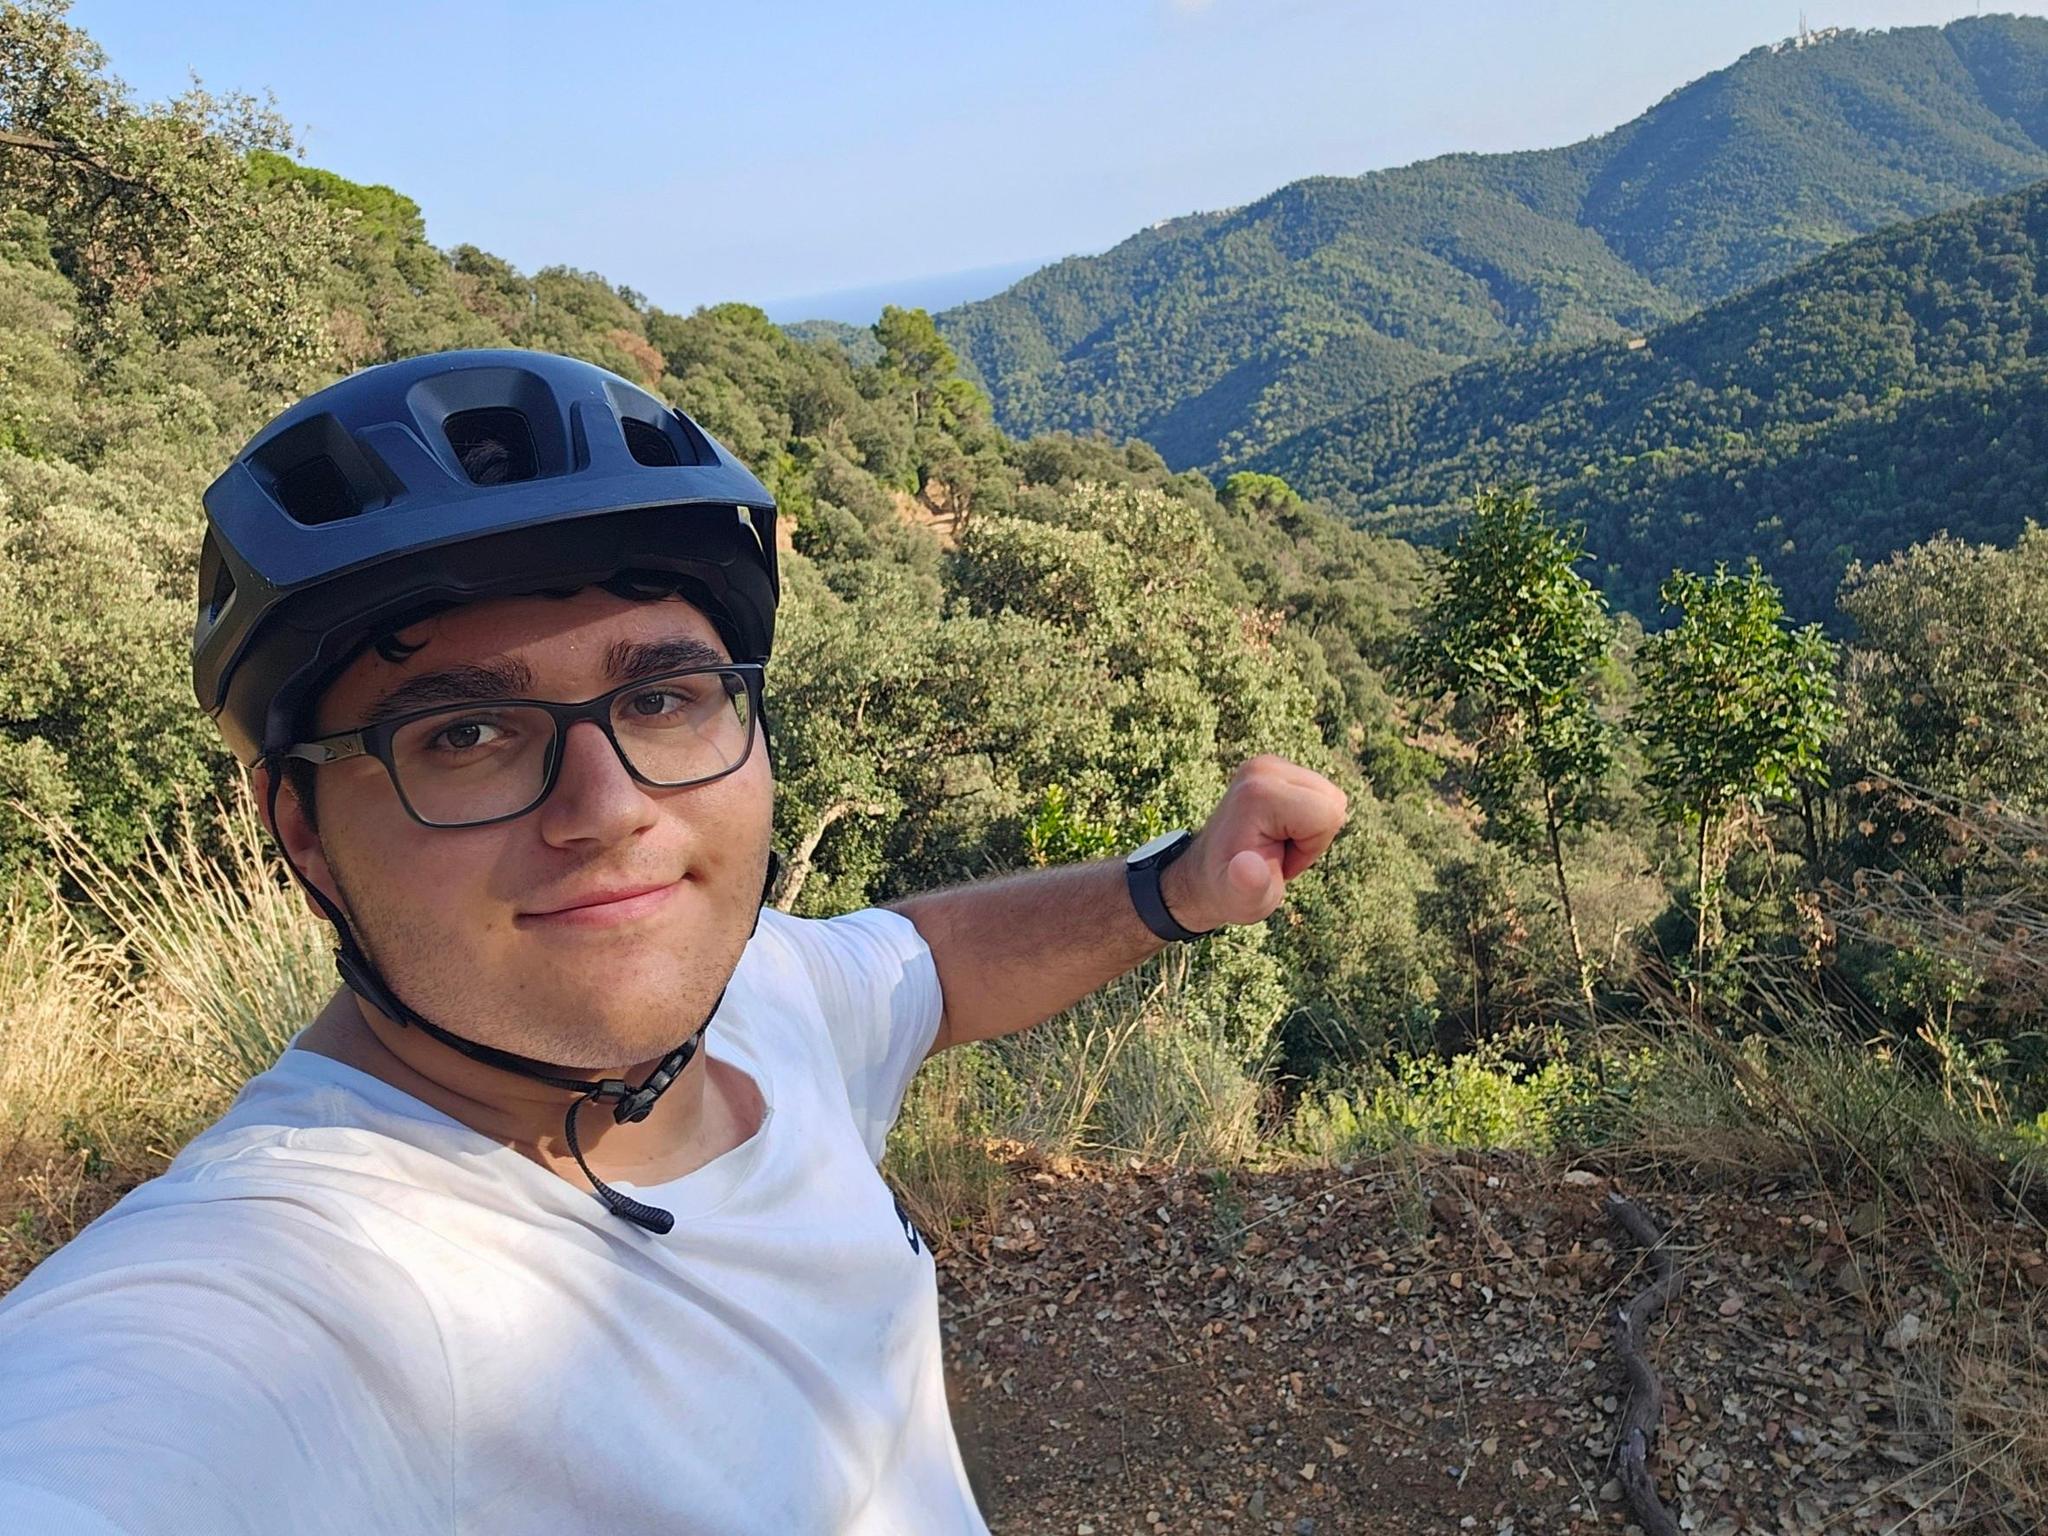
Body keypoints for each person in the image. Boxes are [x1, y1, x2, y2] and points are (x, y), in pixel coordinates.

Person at [0, 349, 1348, 1534]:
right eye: (465, 733)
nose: (608, 810)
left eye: (663, 697)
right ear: (301, 828)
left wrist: (1173, 887)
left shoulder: (755, 993)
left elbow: (926, 967)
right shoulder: (297, 1288)